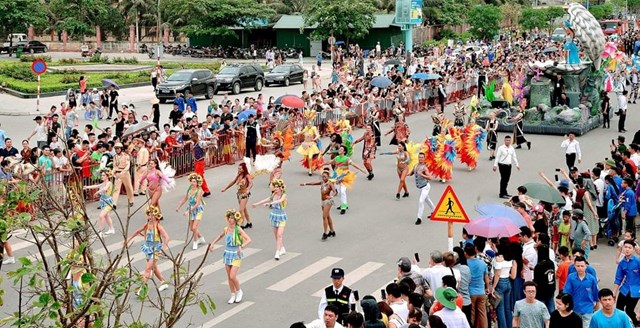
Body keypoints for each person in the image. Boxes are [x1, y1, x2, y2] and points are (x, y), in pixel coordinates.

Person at [124, 205, 170, 296]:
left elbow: (167, 237)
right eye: (148, 214)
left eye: (152, 214)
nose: (150, 216)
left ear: (156, 216)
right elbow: (137, 231)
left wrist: (164, 247)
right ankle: (163, 282)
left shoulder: (158, 226)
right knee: (154, 267)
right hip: (148, 248)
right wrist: (128, 240)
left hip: (155, 249)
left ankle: (142, 288)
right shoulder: (147, 225)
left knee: (147, 269)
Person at [209, 209, 252, 304]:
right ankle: (232, 294)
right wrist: (212, 243)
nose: (230, 220)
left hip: (236, 253)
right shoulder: (226, 229)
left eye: (232, 218)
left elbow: (248, 239)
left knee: (233, 275)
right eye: (229, 217)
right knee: (229, 276)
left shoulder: (238, 229)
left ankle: (239, 291)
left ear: (236, 220)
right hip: (227, 253)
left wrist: (241, 246)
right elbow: (220, 236)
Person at [322, 145, 367, 215]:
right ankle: (344, 204)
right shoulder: (336, 158)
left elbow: (353, 164)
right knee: (339, 192)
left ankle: (343, 207)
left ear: (344, 151)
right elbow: (330, 162)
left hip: (344, 176)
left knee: (342, 191)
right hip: (337, 176)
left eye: (341, 149)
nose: (339, 150)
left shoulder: (346, 159)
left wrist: (361, 169)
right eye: (339, 149)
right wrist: (322, 164)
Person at [252, 178, 288, 260]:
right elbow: (267, 199)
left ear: (281, 188)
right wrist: (257, 204)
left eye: (277, 187)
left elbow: (279, 201)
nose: (275, 189)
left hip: (281, 216)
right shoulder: (273, 194)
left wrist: (270, 203)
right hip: (274, 216)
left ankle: (277, 252)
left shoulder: (284, 195)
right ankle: (281, 248)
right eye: (274, 187)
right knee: (276, 235)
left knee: (279, 235)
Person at [300, 168, 338, 240]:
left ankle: (325, 233)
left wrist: (331, 196)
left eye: (325, 177)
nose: (323, 178)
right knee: (327, 216)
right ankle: (332, 231)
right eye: (323, 176)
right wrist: (305, 184)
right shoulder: (322, 182)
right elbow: (313, 183)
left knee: (324, 217)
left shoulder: (330, 183)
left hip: (328, 201)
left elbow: (335, 191)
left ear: (328, 177)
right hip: (323, 201)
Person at [563, 256, 600, 327]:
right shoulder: (571, 277)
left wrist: (597, 306)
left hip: (588, 309)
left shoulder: (591, 279)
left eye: (582, 266)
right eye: (578, 266)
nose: (580, 268)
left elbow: (596, 293)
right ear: (574, 266)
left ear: (586, 266)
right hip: (574, 308)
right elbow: (566, 293)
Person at [612, 240, 640, 326]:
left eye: (629, 248)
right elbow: (618, 279)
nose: (627, 249)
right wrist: (614, 293)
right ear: (623, 248)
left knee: (629, 310)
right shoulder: (621, 263)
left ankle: (636, 323)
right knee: (618, 309)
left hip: (635, 291)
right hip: (624, 289)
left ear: (633, 250)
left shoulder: (638, 262)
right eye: (625, 247)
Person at [175, 173, 206, 250]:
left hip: (197, 209)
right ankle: (200, 237)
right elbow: (185, 199)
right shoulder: (189, 189)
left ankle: (195, 241)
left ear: (197, 183)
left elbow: (197, 204)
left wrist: (188, 211)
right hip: (190, 208)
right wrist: (179, 207)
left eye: (194, 182)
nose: (192, 183)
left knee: (195, 227)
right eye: (191, 181)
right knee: (192, 228)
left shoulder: (199, 191)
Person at [83, 169, 115, 236]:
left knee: (101, 216)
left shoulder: (109, 183)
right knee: (106, 216)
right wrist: (87, 187)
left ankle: (100, 231)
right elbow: (96, 186)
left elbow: (105, 189)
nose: (102, 176)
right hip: (103, 202)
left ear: (107, 176)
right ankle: (111, 229)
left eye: (103, 175)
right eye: (101, 175)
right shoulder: (103, 183)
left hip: (108, 202)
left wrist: (97, 192)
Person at [222, 162, 254, 229]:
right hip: (239, 194)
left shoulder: (247, 175)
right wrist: (225, 188)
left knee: (240, 210)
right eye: (238, 168)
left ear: (243, 169)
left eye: (240, 169)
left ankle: (241, 225)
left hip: (244, 194)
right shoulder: (239, 175)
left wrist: (248, 189)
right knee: (244, 209)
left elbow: (251, 183)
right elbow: (233, 182)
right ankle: (249, 223)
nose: (238, 170)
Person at [464, 243, 489, 328]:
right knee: (482, 314)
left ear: (465, 253)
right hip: (481, 291)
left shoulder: (466, 264)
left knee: (472, 314)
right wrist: (487, 287)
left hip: (470, 292)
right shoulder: (482, 263)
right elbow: (486, 276)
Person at [411, 152, 435, 225]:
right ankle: (434, 211)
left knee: (421, 201)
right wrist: (407, 174)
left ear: (424, 158)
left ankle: (419, 218)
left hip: (425, 187)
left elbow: (430, 177)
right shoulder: (415, 165)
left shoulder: (424, 168)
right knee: (427, 199)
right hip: (419, 187)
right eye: (419, 157)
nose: (420, 158)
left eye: (422, 157)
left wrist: (422, 174)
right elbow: (412, 172)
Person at [533, 245, 556, 314]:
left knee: (542, 311)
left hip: (541, 292)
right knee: (551, 310)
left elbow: (536, 280)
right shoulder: (551, 263)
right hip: (551, 289)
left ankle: (544, 324)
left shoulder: (539, 266)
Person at [111, 142, 134, 207]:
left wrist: (121, 173)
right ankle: (114, 203)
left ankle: (131, 200)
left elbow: (127, 166)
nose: (117, 150)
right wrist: (113, 172)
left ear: (121, 148)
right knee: (116, 188)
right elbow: (114, 166)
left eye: (118, 148)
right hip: (117, 173)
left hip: (125, 173)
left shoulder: (126, 156)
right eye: (116, 149)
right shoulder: (115, 157)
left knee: (128, 187)